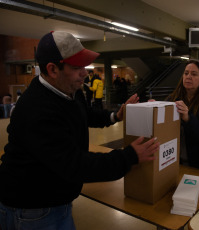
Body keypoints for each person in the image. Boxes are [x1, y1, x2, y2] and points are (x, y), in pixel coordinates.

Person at [0, 31, 159, 230]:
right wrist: (129, 156)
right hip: (33, 209)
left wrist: (115, 116)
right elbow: (75, 165)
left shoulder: (69, 90)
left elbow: (85, 114)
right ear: (52, 69)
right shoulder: (36, 110)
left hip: (54, 196)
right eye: (76, 67)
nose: (85, 72)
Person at [167, 59, 199, 172]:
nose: (188, 76)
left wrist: (188, 118)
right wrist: (154, 107)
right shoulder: (173, 99)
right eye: (186, 73)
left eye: (194, 74)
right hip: (174, 162)